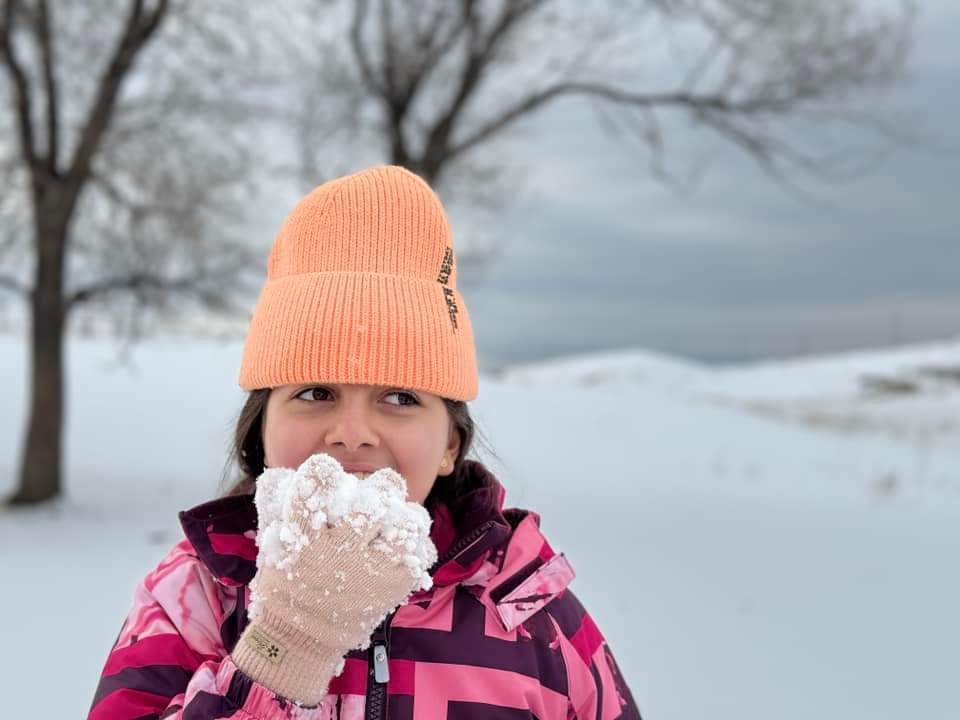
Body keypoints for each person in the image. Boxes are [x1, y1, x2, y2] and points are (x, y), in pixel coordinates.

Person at [87, 165, 642, 719]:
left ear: (451, 443)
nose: (352, 433)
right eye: (315, 391)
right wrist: (285, 646)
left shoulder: (530, 618)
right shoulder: (195, 599)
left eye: (400, 397)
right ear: (261, 427)